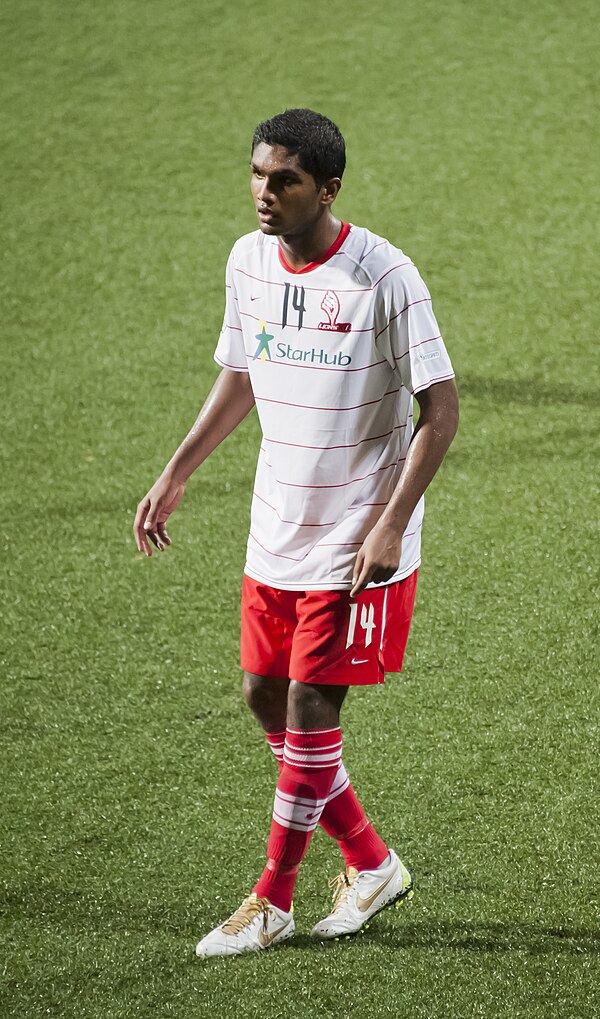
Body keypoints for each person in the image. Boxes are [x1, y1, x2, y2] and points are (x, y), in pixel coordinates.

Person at [134, 108, 459, 959]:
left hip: (358, 533)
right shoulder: (247, 261)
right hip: (277, 520)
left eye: (284, 179)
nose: (263, 193)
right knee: (261, 694)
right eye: (256, 174)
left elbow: (442, 411)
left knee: (314, 703)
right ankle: (371, 860)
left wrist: (391, 525)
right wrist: (177, 471)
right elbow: (241, 372)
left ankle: (270, 898)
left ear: (328, 188)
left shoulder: (384, 276)